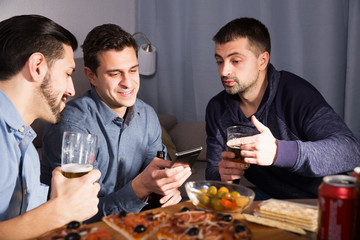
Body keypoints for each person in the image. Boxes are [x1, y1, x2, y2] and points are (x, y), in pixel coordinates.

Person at [40, 23, 192, 222]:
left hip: (139, 222)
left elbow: (156, 174)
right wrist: (139, 189)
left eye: (133, 70)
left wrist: (168, 189)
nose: (128, 83)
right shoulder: (72, 126)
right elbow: (74, 217)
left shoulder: (146, 115)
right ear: (91, 76)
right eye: (115, 73)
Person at [205, 17, 360, 199]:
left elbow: (351, 151)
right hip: (271, 200)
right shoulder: (217, 108)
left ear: (262, 61)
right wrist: (224, 177)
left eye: (236, 61)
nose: (224, 71)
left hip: (321, 201)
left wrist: (279, 152)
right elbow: (214, 175)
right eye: (219, 61)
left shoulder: (295, 94)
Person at [0, 15, 101, 239]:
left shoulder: (26, 145)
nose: (72, 90)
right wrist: (60, 211)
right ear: (37, 67)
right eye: (67, 73)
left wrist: (55, 201)